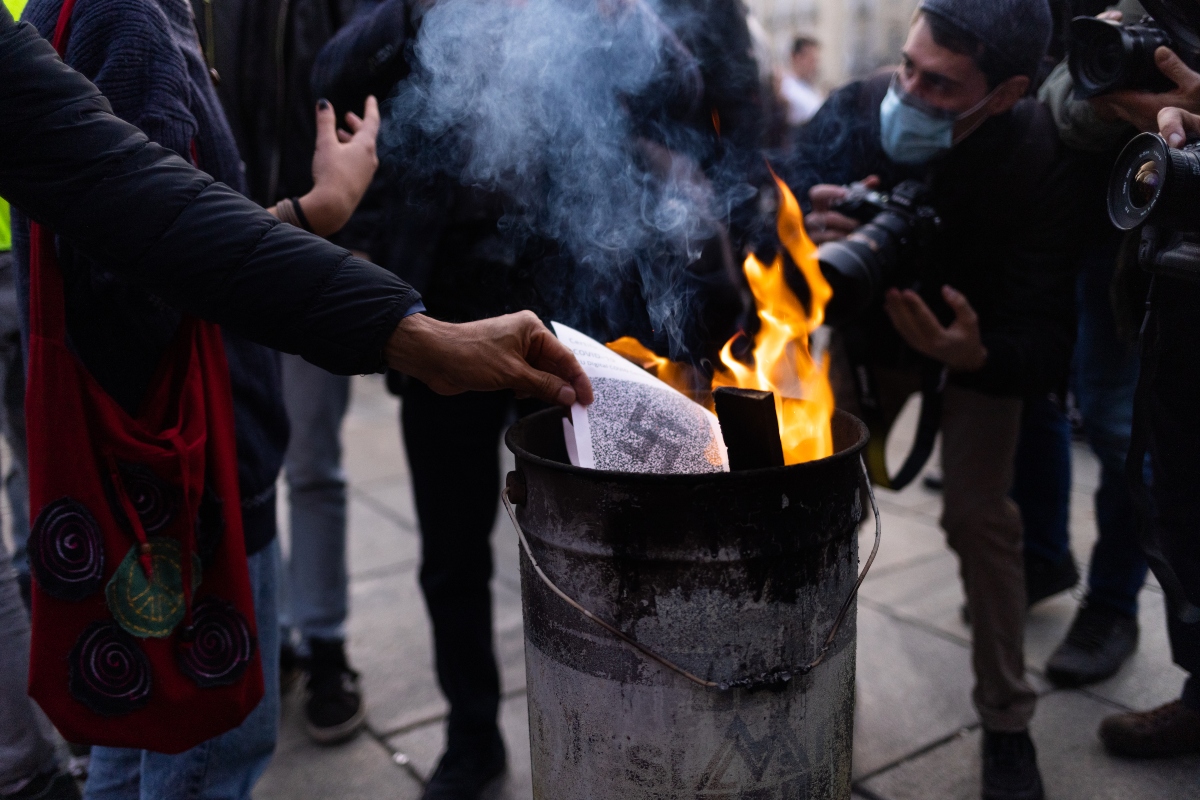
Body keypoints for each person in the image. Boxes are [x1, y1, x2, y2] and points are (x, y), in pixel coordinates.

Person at [0, 5, 590, 799]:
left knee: (139, 750)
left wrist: (320, 216)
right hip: (191, 477)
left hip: (196, 463)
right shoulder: (129, 17)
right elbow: (141, 248)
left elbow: (152, 221)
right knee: (203, 753)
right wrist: (385, 302)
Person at [313, 0, 761, 796]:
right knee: (450, 549)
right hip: (443, 309)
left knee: (585, 541)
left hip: (567, 305)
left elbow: (688, 96)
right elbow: (335, 71)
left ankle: (603, 720)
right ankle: (472, 734)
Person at [786, 2, 1082, 798]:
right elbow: (767, 193)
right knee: (819, 504)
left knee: (980, 519)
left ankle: (1008, 721)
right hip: (869, 334)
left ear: (1009, 91)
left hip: (973, 349)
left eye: (941, 85)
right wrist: (799, 231)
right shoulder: (860, 102)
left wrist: (979, 352)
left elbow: (1051, 339)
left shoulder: (1040, 158)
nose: (908, 94)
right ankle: (793, 683)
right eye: (909, 67)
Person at [190, 0, 370, 744]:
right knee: (231, 468)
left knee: (314, 464)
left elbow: (365, 96)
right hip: (211, 245)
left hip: (312, 247)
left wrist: (357, 225)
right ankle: (270, 640)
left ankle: (322, 641)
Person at [1033, 0, 1200, 755]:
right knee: (1132, 431)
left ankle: (1112, 600)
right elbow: (1062, 89)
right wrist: (1127, 103)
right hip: (1128, 227)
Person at [779, 35, 823, 127]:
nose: (815, 66)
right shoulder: (785, 87)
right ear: (796, 57)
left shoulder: (811, 90)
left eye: (816, 61)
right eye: (811, 60)